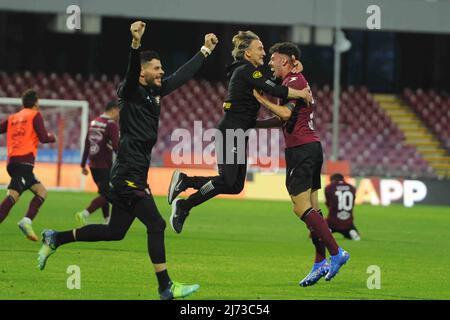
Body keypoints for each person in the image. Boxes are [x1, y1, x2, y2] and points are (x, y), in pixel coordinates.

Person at [37, 21, 218, 300]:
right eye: (156, 68)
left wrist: (205, 50)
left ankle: (56, 238)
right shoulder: (130, 90)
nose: (162, 72)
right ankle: (165, 286)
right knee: (156, 225)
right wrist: (135, 45)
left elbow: (182, 76)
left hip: (133, 171)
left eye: (161, 68)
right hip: (127, 174)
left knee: (115, 232)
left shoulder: (155, 92)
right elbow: (131, 71)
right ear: (143, 71)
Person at [168, 31, 312, 234]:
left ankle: (186, 182)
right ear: (247, 53)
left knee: (235, 185)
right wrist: (300, 93)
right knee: (226, 180)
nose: (264, 53)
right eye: (260, 48)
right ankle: (185, 204)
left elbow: (276, 82)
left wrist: (296, 70)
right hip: (230, 131)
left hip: (237, 132)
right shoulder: (246, 70)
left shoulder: (249, 72)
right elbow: (275, 89)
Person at [252, 42, 350, 287]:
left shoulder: (294, 81)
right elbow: (285, 117)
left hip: (302, 150)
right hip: (309, 148)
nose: (270, 63)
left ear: (286, 60)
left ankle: (337, 253)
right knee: (314, 210)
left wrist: (258, 98)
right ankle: (320, 262)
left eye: (273, 59)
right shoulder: (291, 83)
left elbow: (285, 115)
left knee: (300, 208)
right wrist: (255, 124)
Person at [0, 89, 56, 241]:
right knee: (13, 195)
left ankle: (27, 220)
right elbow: (44, 138)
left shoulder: (13, 117)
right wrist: (53, 137)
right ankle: (26, 222)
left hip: (13, 162)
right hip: (24, 162)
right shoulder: (35, 115)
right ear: (36, 102)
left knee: (42, 192)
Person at [76, 100, 120, 225]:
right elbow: (116, 147)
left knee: (103, 193)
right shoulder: (111, 125)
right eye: (118, 112)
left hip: (93, 165)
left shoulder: (94, 122)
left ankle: (107, 219)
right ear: (113, 110)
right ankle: (84, 213)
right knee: (107, 195)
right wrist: (123, 162)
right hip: (104, 165)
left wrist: (83, 164)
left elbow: (87, 143)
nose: (118, 115)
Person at [325, 173, 360, 240]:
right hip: (348, 222)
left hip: (332, 221)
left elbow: (328, 204)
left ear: (332, 180)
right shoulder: (352, 188)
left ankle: (327, 231)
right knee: (349, 226)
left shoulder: (329, 187)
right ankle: (351, 231)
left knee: (316, 232)